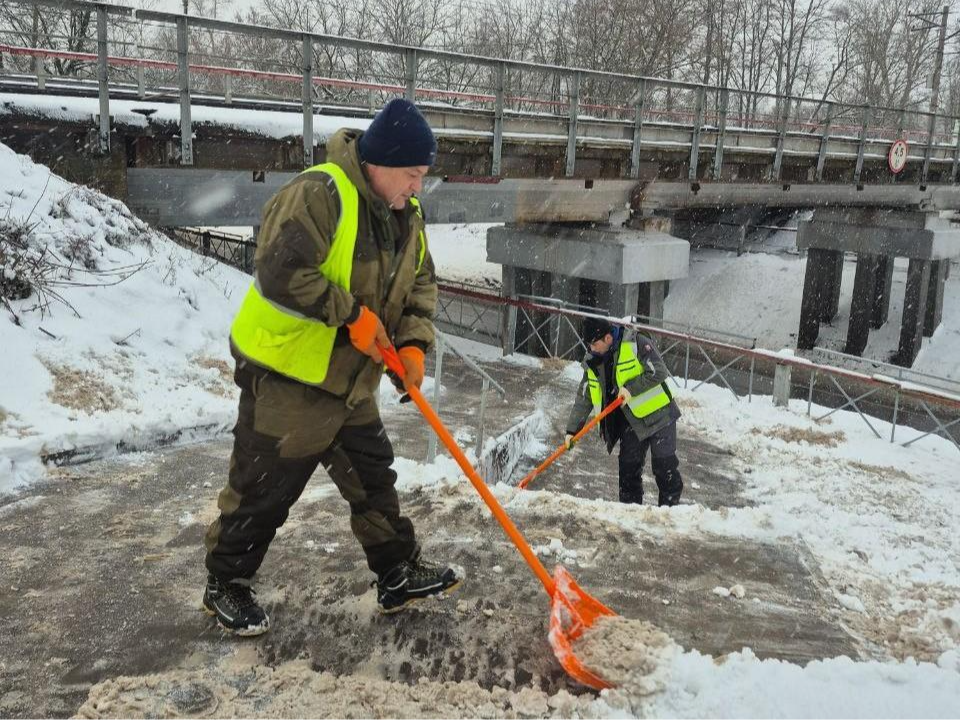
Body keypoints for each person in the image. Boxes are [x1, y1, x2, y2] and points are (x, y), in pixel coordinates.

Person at [201, 98, 461, 636]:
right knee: (263, 489)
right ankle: (225, 582)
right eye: (412, 174)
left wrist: (413, 346)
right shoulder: (321, 193)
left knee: (373, 478)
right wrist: (351, 316)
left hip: (349, 382)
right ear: (382, 162)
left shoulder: (406, 217)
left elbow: (420, 284)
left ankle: (396, 572)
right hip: (289, 377)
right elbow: (279, 269)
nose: (418, 187)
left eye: (422, 176)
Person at [565, 317, 683, 507]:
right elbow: (584, 396)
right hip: (631, 421)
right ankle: (630, 513)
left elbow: (659, 371)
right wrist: (572, 430)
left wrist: (631, 388)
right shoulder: (594, 361)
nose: (591, 349)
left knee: (665, 468)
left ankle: (670, 513)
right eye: (589, 345)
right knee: (628, 470)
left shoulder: (636, 342)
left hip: (660, 416)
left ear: (608, 338)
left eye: (594, 344)